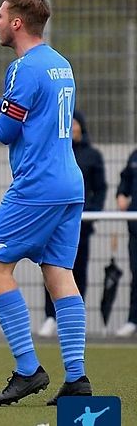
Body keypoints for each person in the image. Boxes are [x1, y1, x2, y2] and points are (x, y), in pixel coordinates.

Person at [0, 0, 90, 406]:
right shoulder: (60, 63)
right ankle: (77, 379)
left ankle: (28, 370)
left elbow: (8, 133)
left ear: (16, 23)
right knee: (60, 274)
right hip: (69, 184)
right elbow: (31, 118)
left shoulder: (23, 68)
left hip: (37, 185)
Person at [39, 112, 105, 337]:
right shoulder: (54, 152)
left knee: (77, 271)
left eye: (75, 123)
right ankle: (51, 316)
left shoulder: (92, 155)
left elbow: (100, 188)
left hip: (80, 224)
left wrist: (92, 212)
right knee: (50, 267)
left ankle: (73, 321)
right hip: (53, 221)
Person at [114, 143, 137, 338]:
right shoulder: (134, 156)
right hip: (135, 227)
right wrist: (121, 194)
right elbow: (125, 179)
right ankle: (133, 320)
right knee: (136, 273)